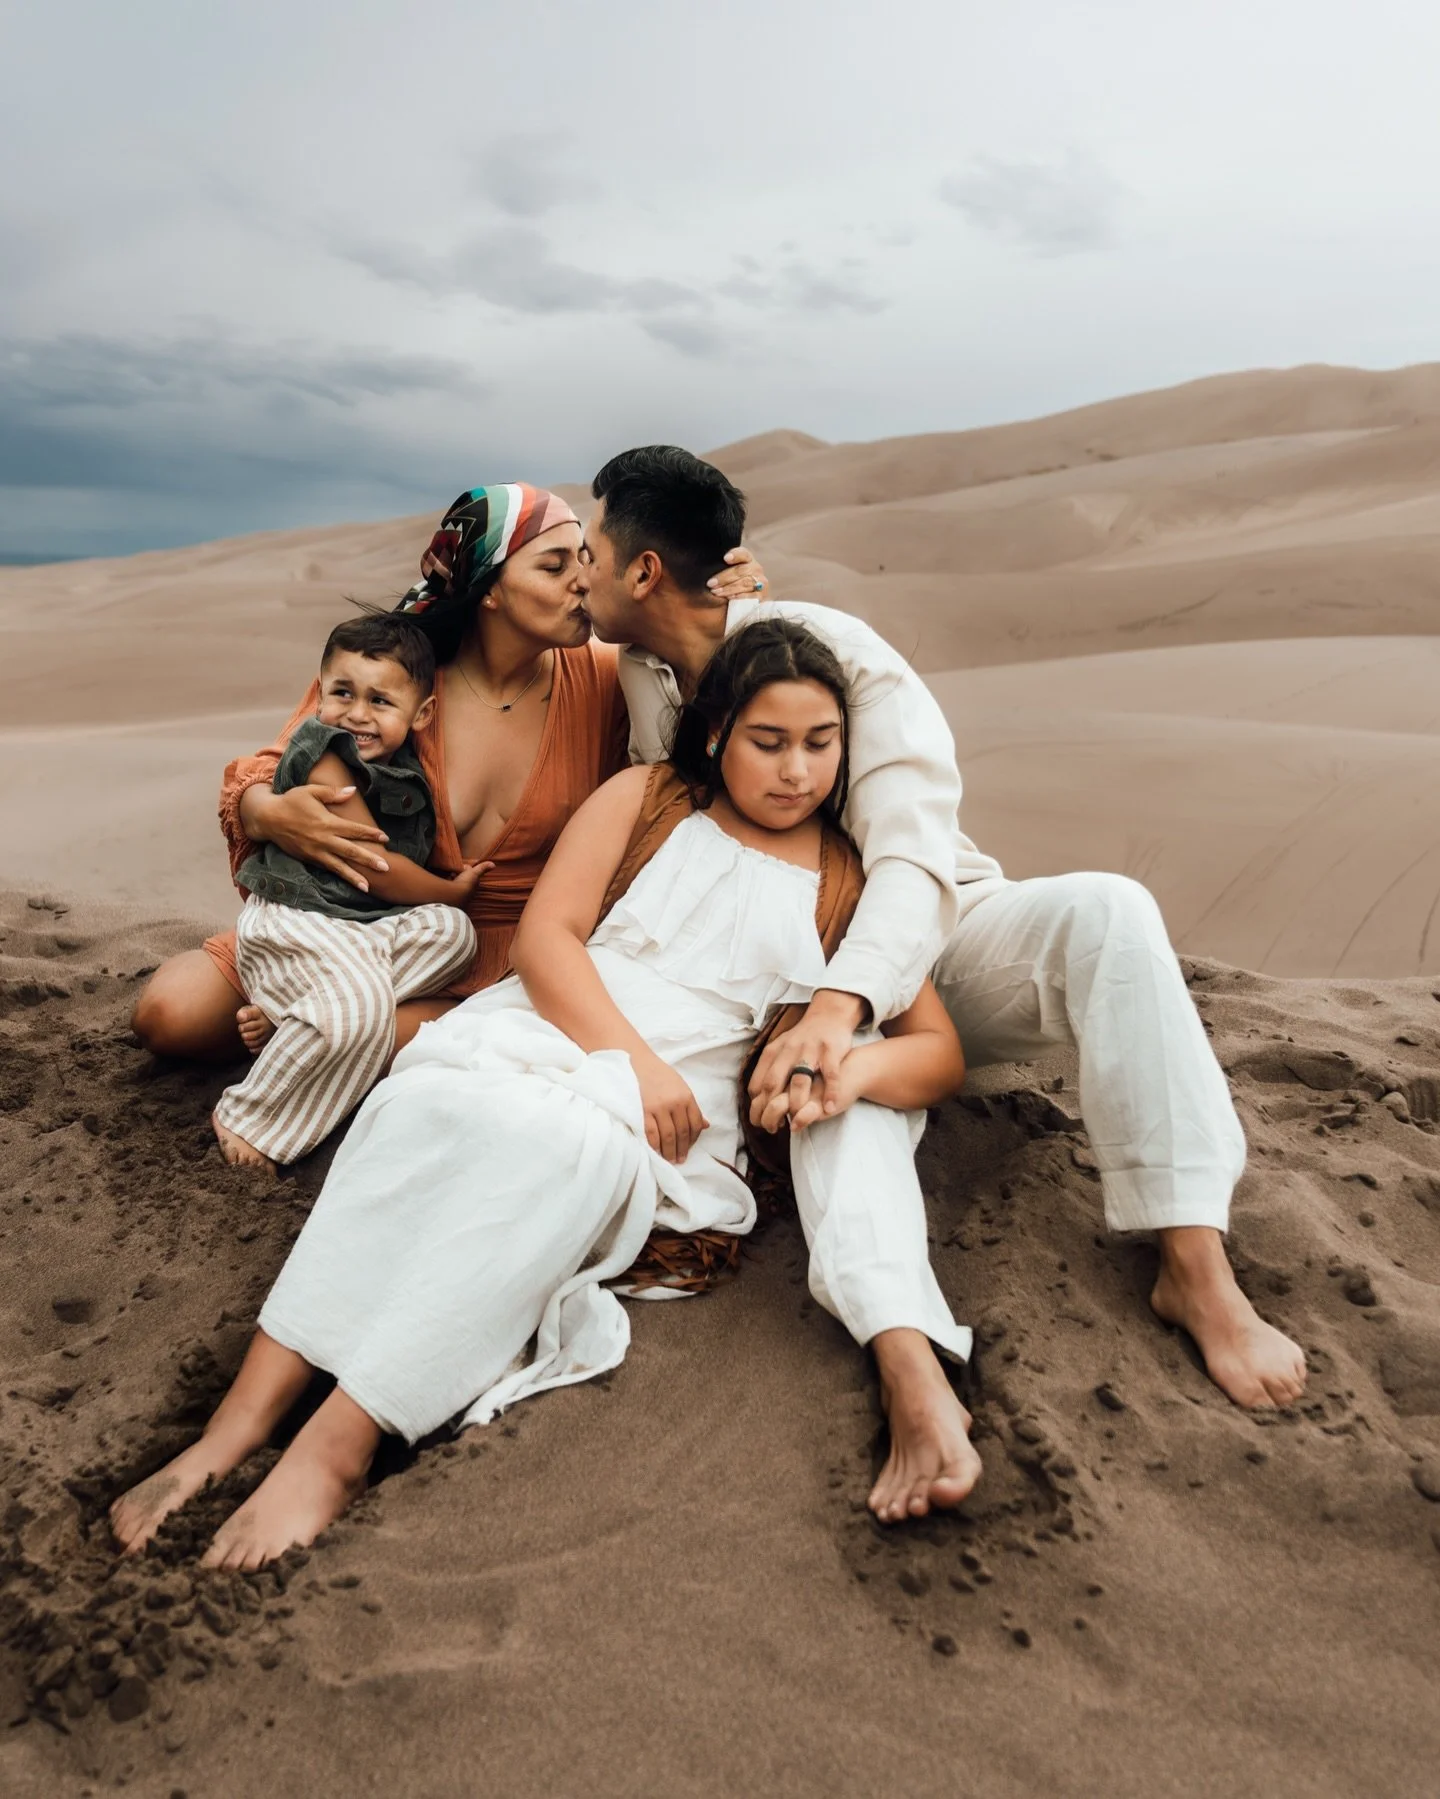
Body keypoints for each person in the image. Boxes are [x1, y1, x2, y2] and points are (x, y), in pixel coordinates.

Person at [110, 619, 978, 1568]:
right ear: (720, 731)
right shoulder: (647, 798)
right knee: (424, 1106)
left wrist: (845, 1067)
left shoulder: (850, 883)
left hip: (661, 1116)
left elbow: (935, 1052)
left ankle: (339, 1445)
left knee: (558, 1149)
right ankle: (233, 1426)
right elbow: (545, 940)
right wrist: (629, 1059)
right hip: (554, 1029)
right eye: (769, 742)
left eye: (821, 744)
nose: (796, 771)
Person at [577, 445, 1310, 1420]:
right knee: (841, 1088)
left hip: (917, 951)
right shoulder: (633, 667)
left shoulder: (836, 651)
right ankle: (906, 1349)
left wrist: (839, 1005)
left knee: (1111, 910)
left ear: (643, 568)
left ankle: (1195, 1262)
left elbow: (916, 865)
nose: (576, 567)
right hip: (748, 980)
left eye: (587, 547)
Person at [129, 482, 765, 1065]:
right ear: (488, 588)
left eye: (585, 560)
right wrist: (265, 811)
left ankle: (318, 1029)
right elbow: (271, 767)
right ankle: (318, 1021)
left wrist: (730, 608)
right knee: (169, 1016)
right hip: (358, 924)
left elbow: (714, 714)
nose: (582, 582)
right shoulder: (392, 671)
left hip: (513, 955)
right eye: (554, 565)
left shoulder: (607, 677)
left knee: (384, 1043)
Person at [210, 614, 486, 1174]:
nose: (357, 713)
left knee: (454, 937)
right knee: (359, 1006)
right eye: (342, 693)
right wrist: (450, 889)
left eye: (380, 701)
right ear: (319, 694)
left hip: (356, 929)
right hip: (297, 918)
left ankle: (297, 1016)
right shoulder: (324, 749)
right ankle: (248, 1116)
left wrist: (446, 909)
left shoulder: (401, 764)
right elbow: (375, 865)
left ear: (422, 714)